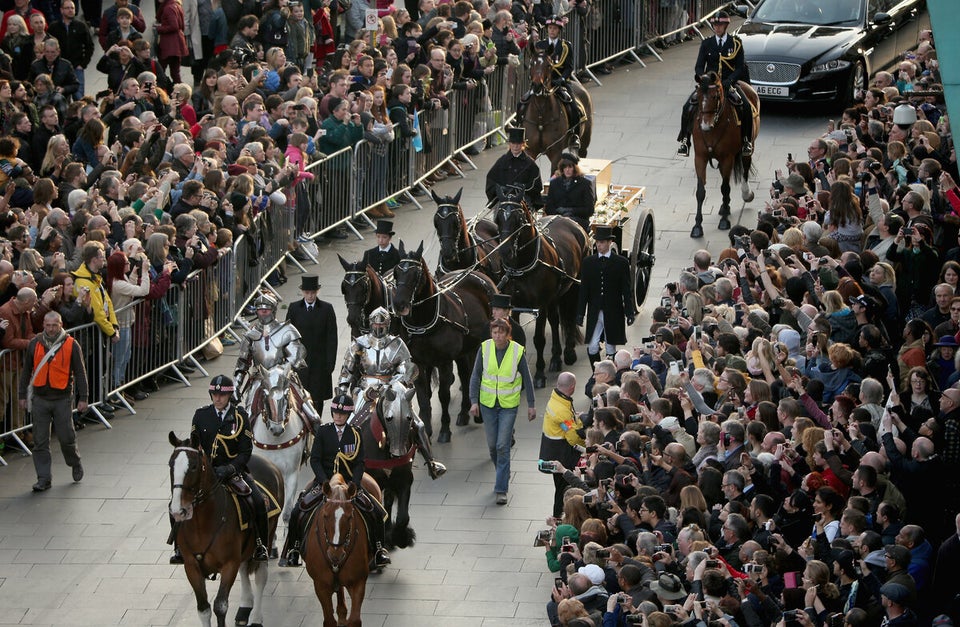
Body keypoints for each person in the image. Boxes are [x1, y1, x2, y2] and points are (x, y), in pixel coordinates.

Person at [279, 391, 393, 569]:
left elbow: (359, 462)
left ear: (348, 415)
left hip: (348, 483)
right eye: (335, 413)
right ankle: (293, 550)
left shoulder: (355, 433)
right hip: (324, 482)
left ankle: (379, 550)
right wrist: (325, 482)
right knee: (298, 510)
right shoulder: (324, 432)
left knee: (376, 511)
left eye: (342, 414)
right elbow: (315, 459)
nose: (338, 416)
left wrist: (354, 483)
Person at [337, 306, 446, 477]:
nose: (378, 329)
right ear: (370, 324)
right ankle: (341, 462)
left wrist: (393, 384)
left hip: (392, 390)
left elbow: (407, 370)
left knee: (418, 423)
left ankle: (431, 462)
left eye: (382, 326)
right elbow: (347, 371)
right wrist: (342, 391)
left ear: (388, 326)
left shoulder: (397, 344)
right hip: (366, 390)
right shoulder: (360, 343)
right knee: (349, 424)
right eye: (376, 326)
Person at [172, 375, 270, 562]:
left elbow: (245, 451)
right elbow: (195, 446)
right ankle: (178, 546)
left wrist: (230, 469)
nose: (218, 398)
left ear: (229, 395)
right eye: (215, 394)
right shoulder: (201, 415)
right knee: (178, 500)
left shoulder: (240, 416)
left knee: (256, 501)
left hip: (233, 472)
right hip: (205, 472)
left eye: (222, 395)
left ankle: (260, 544)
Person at [468, 317, 536, 505]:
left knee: (502, 446)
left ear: (508, 334)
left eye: (501, 333)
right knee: (492, 446)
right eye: (494, 332)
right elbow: (475, 376)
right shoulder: (484, 348)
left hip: (508, 406)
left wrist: (531, 404)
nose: (497, 336)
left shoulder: (516, 351)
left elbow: (528, 379)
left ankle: (501, 489)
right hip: (487, 405)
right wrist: (473, 402)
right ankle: (503, 472)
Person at [18, 310, 86, 492]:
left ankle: (75, 462)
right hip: (40, 399)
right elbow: (26, 372)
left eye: (54, 325)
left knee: (66, 437)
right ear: (43, 326)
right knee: (40, 441)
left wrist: (84, 398)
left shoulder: (72, 345)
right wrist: (22, 396)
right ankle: (43, 478)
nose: (50, 329)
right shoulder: (35, 344)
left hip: (62, 398)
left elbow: (80, 372)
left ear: (61, 325)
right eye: (47, 325)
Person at [234, 292, 322, 431]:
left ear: (273, 310)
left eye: (267, 309)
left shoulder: (286, 330)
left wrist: (282, 371)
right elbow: (242, 363)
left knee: (313, 416)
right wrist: (236, 385)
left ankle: (316, 445)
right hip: (259, 379)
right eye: (260, 309)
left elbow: (297, 355)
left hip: (284, 378)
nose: (263, 312)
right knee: (247, 418)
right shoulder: (250, 335)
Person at [676, 11, 752, 158]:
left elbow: (740, 67)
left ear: (726, 26)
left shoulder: (735, 43)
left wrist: (730, 80)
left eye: (720, 25)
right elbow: (698, 66)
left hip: (728, 84)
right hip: (709, 86)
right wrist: (703, 78)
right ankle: (685, 141)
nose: (717, 28)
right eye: (715, 25)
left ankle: (746, 140)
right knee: (688, 106)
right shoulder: (707, 43)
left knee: (746, 107)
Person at [514, 15, 584, 151]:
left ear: (559, 30)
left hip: (560, 82)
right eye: (550, 28)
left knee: (573, 106)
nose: (552, 31)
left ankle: (574, 135)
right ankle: (518, 131)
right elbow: (535, 64)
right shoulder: (540, 45)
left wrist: (562, 79)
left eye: (555, 29)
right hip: (541, 82)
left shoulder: (566, 46)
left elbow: (569, 67)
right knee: (522, 103)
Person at [576, 226, 636, 367]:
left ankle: (611, 372)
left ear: (609, 242)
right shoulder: (588, 263)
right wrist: (580, 313)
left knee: (610, 347)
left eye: (602, 242)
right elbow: (584, 290)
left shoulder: (621, 263)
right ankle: (596, 373)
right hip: (595, 311)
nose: (599, 245)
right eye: (597, 243)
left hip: (613, 311)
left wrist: (629, 312)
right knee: (592, 346)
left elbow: (626, 290)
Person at [284, 275, 337, 417]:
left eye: (313, 292)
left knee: (317, 399)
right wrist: (288, 360)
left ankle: (316, 426)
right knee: (298, 397)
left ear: (317, 292)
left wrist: (330, 363)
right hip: (300, 363)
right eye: (307, 293)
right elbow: (287, 335)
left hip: (320, 363)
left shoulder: (327, 309)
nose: (310, 296)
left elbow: (332, 338)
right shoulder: (294, 308)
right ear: (303, 292)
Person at [540, 371, 583, 518]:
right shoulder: (562, 411)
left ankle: (558, 515)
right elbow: (572, 438)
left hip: (552, 451)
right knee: (563, 487)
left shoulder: (557, 399)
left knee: (559, 486)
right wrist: (586, 445)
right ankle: (558, 516)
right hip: (562, 454)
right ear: (572, 387)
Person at [485, 126, 543, 209]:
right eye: (513, 143)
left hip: (523, 201)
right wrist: (500, 189)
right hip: (503, 200)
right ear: (509, 144)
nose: (515, 147)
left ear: (523, 144)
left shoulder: (530, 164)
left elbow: (537, 186)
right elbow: (491, 180)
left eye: (518, 144)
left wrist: (523, 188)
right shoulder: (502, 161)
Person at [545, 151, 596, 232]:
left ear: (574, 168)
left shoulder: (584, 184)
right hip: (557, 219)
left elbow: (589, 209)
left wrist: (572, 211)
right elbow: (549, 206)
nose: (567, 170)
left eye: (570, 167)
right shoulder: (555, 183)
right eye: (565, 167)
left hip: (578, 220)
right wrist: (559, 212)